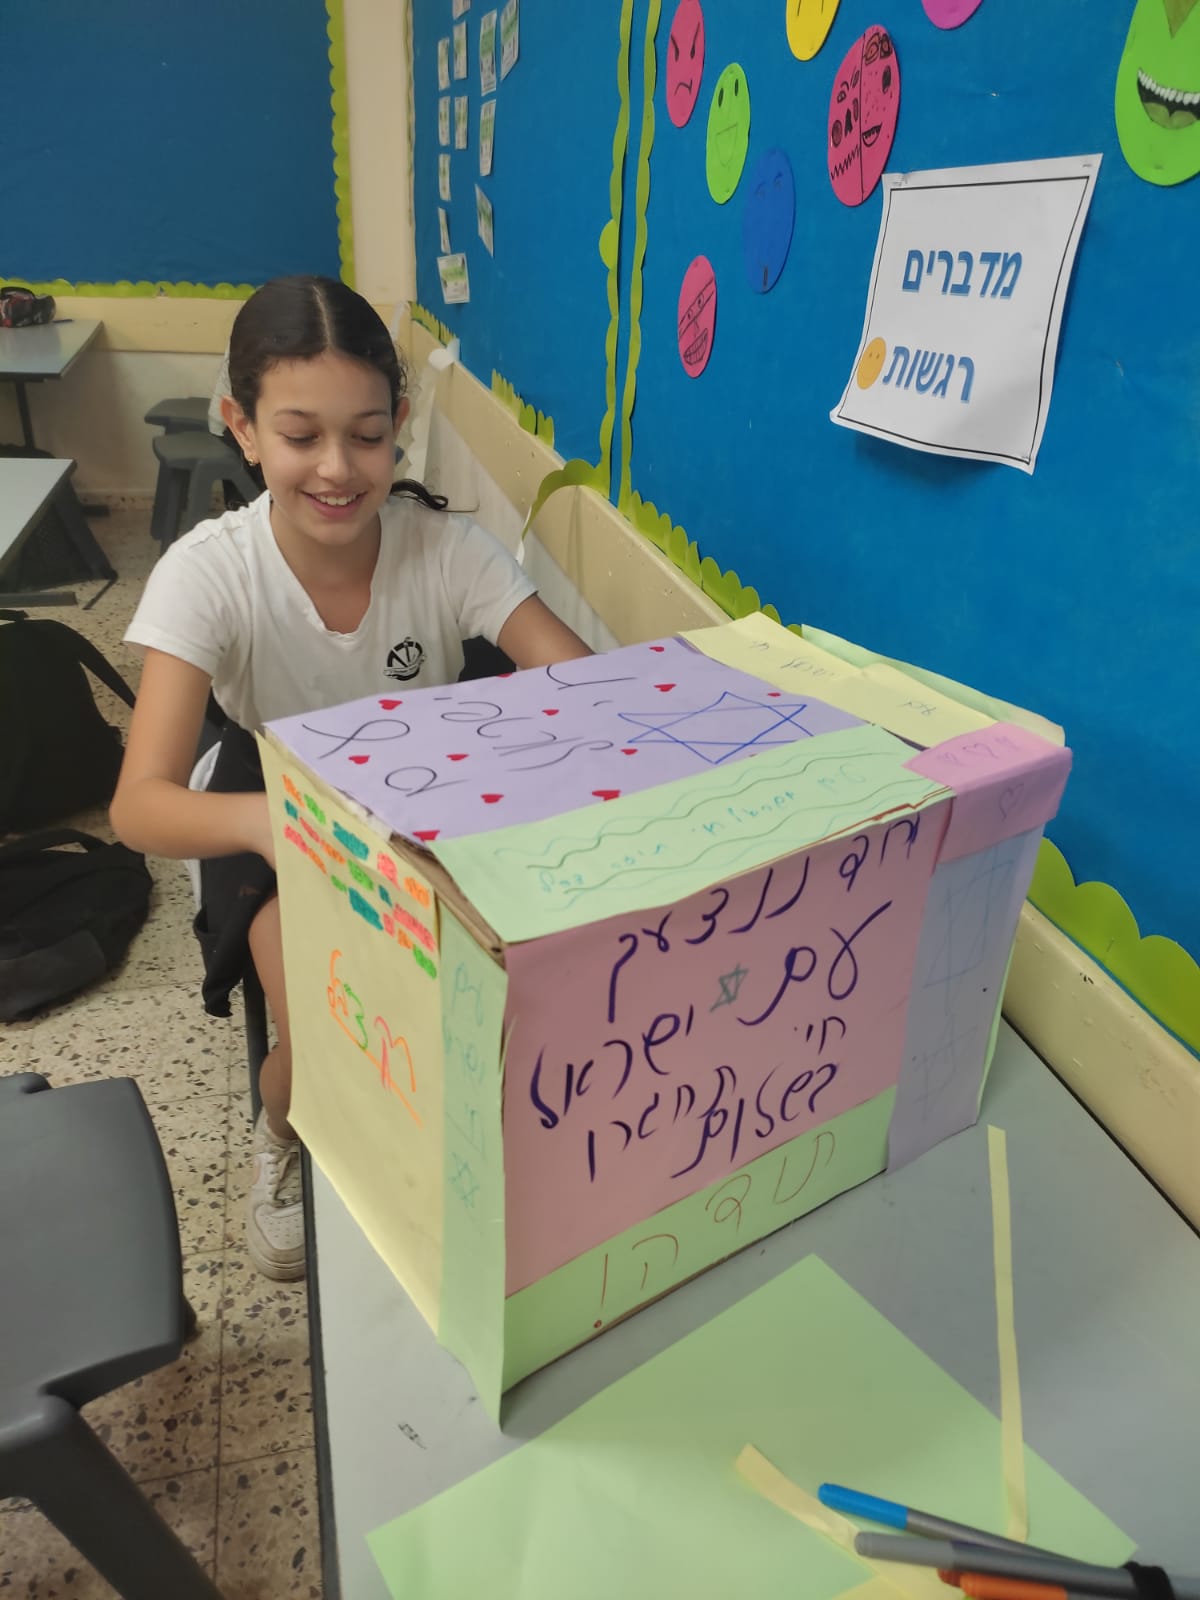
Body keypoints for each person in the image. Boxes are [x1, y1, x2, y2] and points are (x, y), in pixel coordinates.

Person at [112, 275, 591, 1280]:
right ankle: (280, 1135)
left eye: (367, 437)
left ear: (399, 427)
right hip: (266, 808)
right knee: (332, 1027)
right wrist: (278, 824)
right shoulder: (211, 572)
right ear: (243, 429)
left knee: (504, 991)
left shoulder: (445, 551)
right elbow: (141, 805)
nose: (337, 468)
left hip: (425, 807)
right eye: (301, 436)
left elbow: (590, 687)